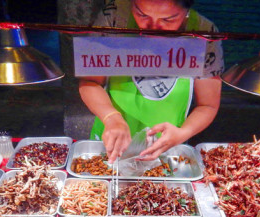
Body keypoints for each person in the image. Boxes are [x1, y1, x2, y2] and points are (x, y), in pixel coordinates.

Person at [78, 0, 224, 162]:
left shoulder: (203, 33)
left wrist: (184, 132)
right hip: (111, 140)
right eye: (142, 14)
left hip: (165, 147)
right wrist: (111, 117)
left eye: (168, 19)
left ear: (186, 10)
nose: (153, 28)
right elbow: (90, 82)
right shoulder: (113, 17)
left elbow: (207, 105)